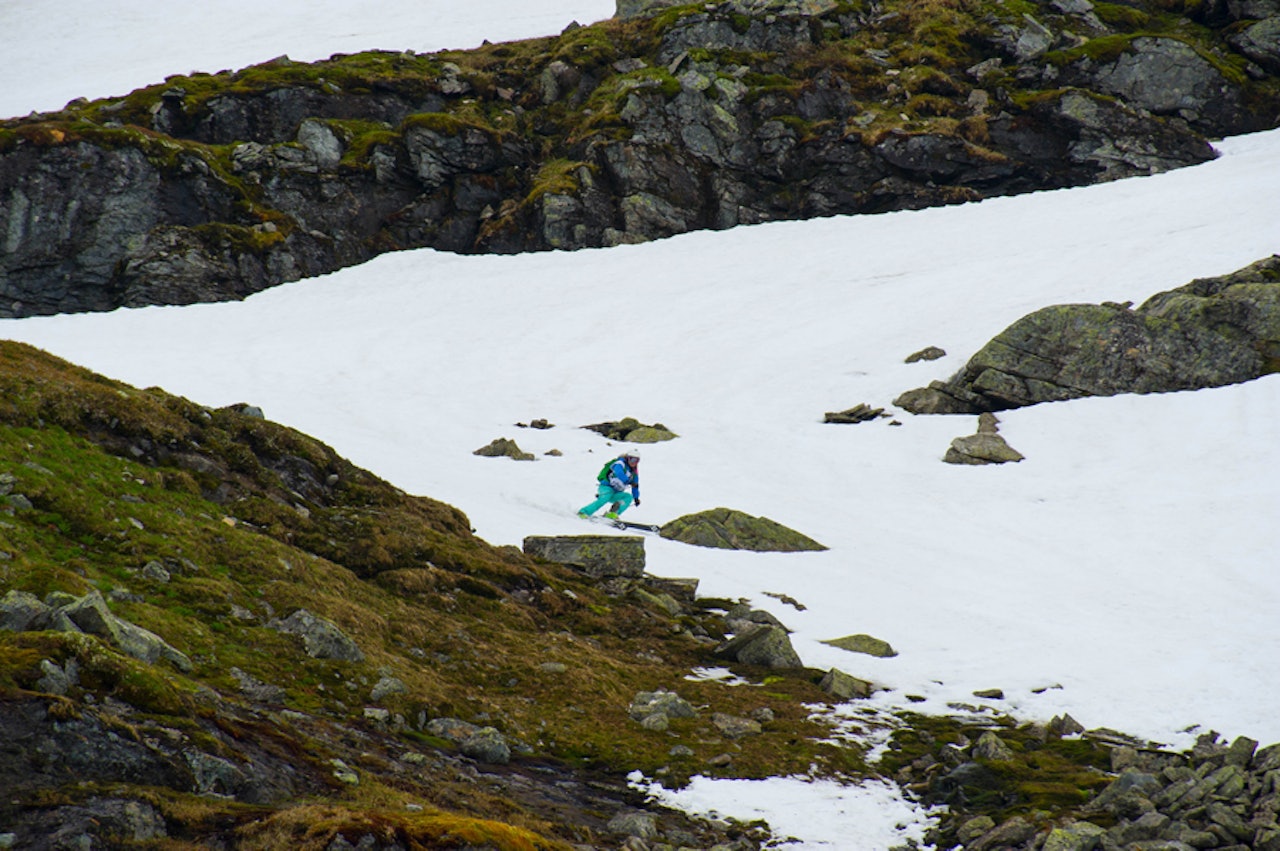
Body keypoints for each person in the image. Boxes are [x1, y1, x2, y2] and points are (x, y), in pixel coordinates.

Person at [578, 448, 641, 520]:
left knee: (628, 497)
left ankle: (612, 513)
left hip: (616, 491)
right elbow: (619, 472)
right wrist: (627, 481)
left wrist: (636, 498)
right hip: (606, 487)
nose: (634, 462)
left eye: (637, 460)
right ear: (627, 458)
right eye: (632, 459)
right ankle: (583, 512)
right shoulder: (620, 463)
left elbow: (635, 485)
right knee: (605, 498)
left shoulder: (633, 472)